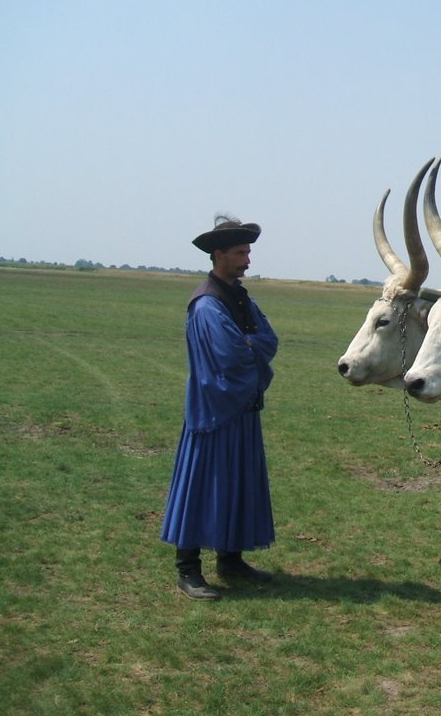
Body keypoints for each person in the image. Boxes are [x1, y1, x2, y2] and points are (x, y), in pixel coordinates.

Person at [161, 215, 279, 600]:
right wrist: (250, 346)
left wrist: (250, 345)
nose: (248, 260)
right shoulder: (207, 304)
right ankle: (187, 570)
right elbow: (231, 355)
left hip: (240, 408)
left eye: (248, 252)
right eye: (240, 253)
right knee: (200, 486)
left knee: (239, 482)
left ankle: (231, 559)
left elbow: (269, 340)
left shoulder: (241, 298)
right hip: (213, 412)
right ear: (219, 255)